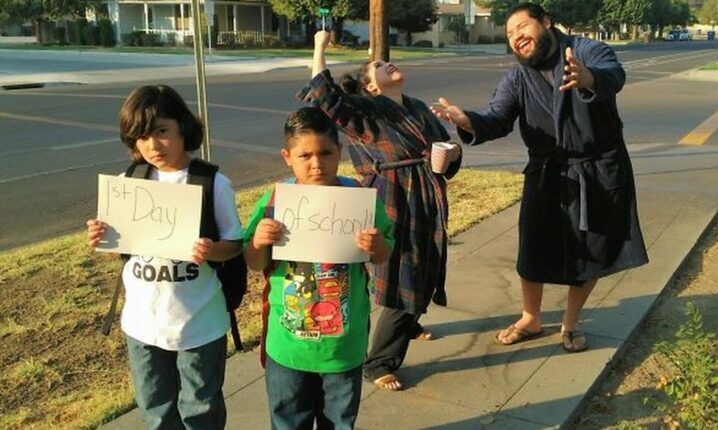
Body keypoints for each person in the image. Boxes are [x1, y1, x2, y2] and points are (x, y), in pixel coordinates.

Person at [431, 3, 648, 353]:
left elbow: (613, 74)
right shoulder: (518, 76)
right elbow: (498, 118)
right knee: (533, 247)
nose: (516, 37)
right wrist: (467, 121)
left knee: (590, 250)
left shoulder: (585, 51)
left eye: (521, 27)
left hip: (596, 168)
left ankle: (570, 324)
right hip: (546, 170)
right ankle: (530, 318)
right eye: (510, 35)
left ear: (545, 22)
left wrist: (588, 78)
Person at [296, 30, 462, 391]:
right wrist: (319, 47)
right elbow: (324, 96)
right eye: (379, 66)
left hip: (425, 193)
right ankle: (380, 362)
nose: (389, 64)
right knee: (403, 272)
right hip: (393, 196)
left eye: (387, 62)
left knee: (426, 262)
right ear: (371, 88)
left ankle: (410, 320)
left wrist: (449, 156)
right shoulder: (367, 112)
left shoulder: (417, 107)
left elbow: (446, 146)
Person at [86, 85, 243, 429]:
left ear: (182, 127)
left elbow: (235, 243)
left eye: (161, 132)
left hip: (198, 322)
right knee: (153, 405)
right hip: (143, 323)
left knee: (200, 406)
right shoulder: (129, 179)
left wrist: (212, 249)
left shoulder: (212, 182)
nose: (153, 145)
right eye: (141, 137)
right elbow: (121, 246)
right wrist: (101, 236)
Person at [243, 107, 394, 429]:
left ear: (339, 151)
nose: (316, 163)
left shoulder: (358, 198)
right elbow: (254, 263)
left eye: (326, 153)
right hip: (288, 345)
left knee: (339, 421)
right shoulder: (273, 202)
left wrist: (377, 245)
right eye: (305, 155)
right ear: (287, 156)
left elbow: (383, 255)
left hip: (343, 345)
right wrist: (258, 242)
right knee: (288, 421)